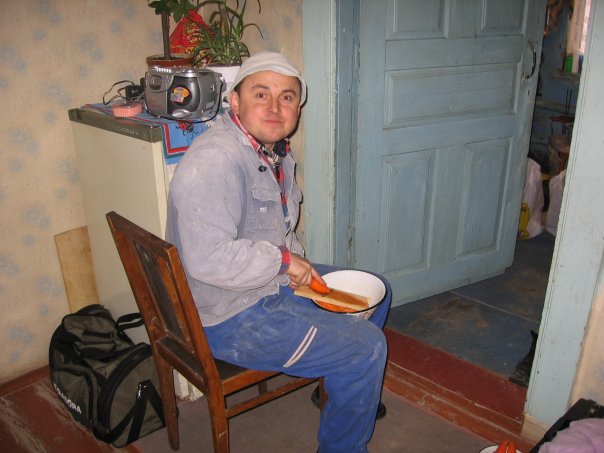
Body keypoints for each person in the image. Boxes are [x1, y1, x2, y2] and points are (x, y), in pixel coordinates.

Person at [166, 51, 392, 453]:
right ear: (235, 101)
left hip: (266, 284)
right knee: (367, 348)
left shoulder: (271, 152)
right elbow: (208, 260)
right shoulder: (214, 161)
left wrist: (292, 266)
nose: (274, 107)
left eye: (286, 97)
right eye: (261, 94)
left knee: (378, 291)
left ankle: (344, 387)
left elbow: (278, 229)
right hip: (227, 315)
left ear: (297, 107)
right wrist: (285, 262)